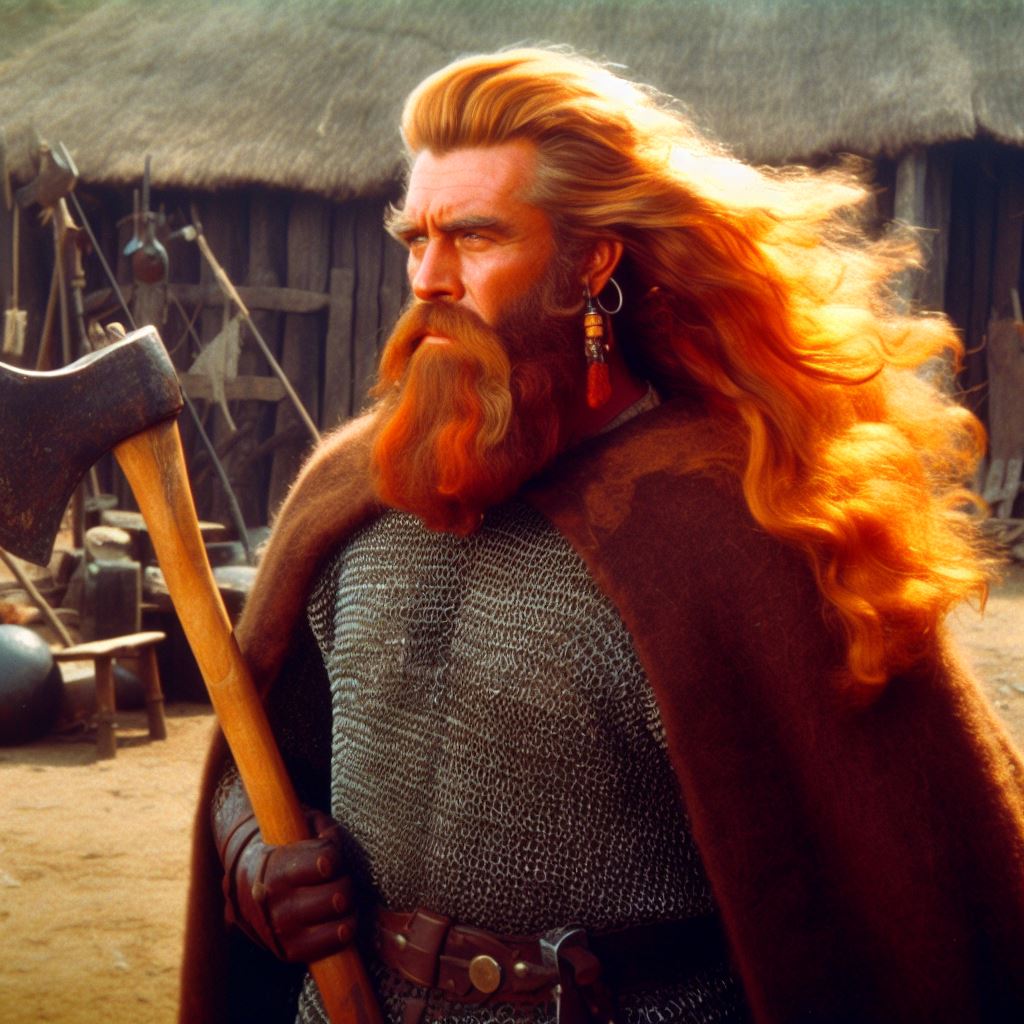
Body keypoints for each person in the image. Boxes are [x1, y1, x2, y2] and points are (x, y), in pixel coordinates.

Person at [179, 47, 1024, 1024]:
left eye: (475, 236)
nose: (429, 278)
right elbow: (261, 756)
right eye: (416, 238)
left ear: (591, 260)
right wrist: (253, 855)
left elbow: (915, 879)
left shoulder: (746, 518)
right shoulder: (357, 488)